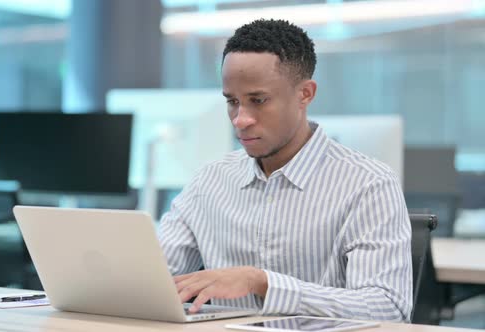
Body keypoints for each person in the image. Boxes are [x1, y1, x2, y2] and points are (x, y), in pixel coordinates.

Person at [157, 19, 412, 322]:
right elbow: (154, 279)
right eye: (232, 101)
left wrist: (262, 282)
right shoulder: (209, 181)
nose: (240, 119)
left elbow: (388, 308)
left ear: (305, 94)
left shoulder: (368, 184)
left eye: (258, 100)